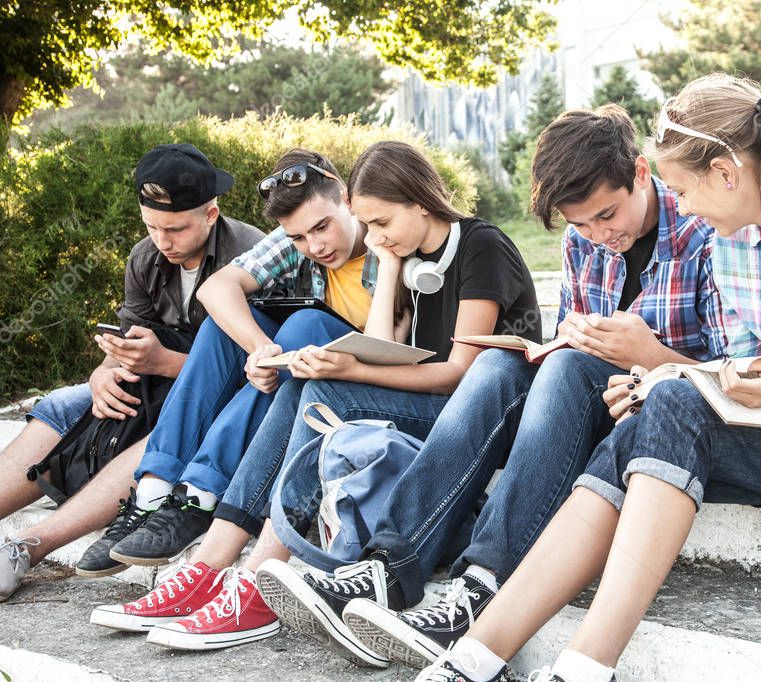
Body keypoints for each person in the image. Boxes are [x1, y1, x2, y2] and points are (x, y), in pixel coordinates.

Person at [415, 74, 761, 682]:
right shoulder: (733, 242)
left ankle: (586, 668)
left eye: (683, 190)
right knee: (647, 419)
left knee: (670, 405)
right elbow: (734, 370)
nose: (685, 208)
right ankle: (474, 656)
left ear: (726, 172)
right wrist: (655, 380)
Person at [255, 104, 725, 670]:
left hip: (669, 414)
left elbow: (733, 374)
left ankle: (478, 589)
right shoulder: (583, 245)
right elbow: (573, 341)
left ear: (642, 173)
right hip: (600, 400)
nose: (601, 234)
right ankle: (394, 567)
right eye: (581, 224)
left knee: (553, 369)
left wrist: (649, 360)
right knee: (503, 365)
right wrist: (568, 341)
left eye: (607, 214)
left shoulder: (705, 232)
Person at [90, 140, 541, 660]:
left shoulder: (480, 245)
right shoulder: (409, 254)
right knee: (307, 380)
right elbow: (390, 351)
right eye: (367, 225)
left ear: (421, 202)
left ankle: (256, 577)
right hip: (436, 405)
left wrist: (352, 367)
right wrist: (390, 268)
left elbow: (461, 375)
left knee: (321, 380)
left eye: (379, 224)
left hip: (482, 417)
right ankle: (212, 564)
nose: (372, 238)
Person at [75, 148, 373, 579]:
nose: (316, 246)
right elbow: (216, 290)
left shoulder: (385, 242)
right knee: (224, 324)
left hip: (352, 382)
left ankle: (200, 495)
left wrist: (272, 351)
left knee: (303, 322)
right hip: (295, 369)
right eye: (300, 238)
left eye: (322, 228)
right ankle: (154, 495)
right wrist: (258, 348)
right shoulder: (297, 238)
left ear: (345, 199)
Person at [0, 143, 263, 603]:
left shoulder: (253, 257)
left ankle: (28, 547)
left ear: (211, 214)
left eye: (175, 229)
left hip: (218, 399)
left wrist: (166, 364)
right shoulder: (146, 257)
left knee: (162, 433)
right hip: (154, 383)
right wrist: (103, 373)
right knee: (62, 404)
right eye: (151, 226)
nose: (162, 241)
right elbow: (126, 338)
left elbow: (255, 375)